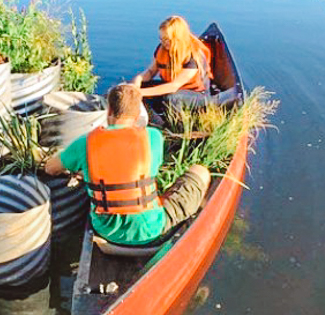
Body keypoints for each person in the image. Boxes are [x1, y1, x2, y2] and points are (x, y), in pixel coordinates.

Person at [44, 84, 210, 247]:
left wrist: (78, 167)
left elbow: (50, 168)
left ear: (108, 111)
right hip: (150, 230)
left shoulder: (85, 142)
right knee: (201, 172)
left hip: (106, 230)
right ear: (138, 116)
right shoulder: (153, 137)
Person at [132, 16, 212, 105]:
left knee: (172, 98)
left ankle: (174, 118)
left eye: (167, 40)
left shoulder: (193, 56)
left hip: (196, 93)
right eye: (161, 39)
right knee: (130, 87)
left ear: (178, 38)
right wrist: (138, 80)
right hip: (170, 87)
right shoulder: (162, 48)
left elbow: (174, 86)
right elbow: (151, 71)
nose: (164, 43)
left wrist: (139, 93)